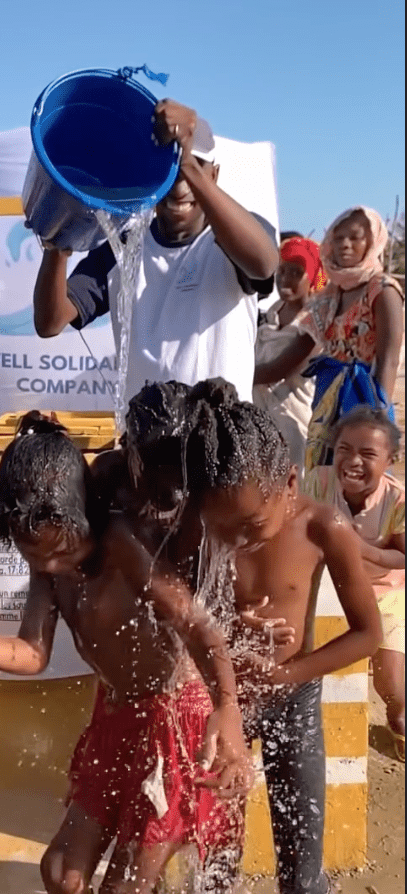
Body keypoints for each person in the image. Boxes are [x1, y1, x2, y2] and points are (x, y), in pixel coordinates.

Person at [0, 412, 252, 894]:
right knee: (60, 873)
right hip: (115, 721)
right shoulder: (47, 560)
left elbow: (198, 626)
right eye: (35, 557)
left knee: (126, 886)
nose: (50, 567)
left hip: (174, 720)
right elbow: (31, 653)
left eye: (62, 554)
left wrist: (228, 707)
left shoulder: (121, 545)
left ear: (85, 516)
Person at [175, 378, 383, 894]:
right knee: (216, 863)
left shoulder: (323, 528)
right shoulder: (199, 526)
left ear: (291, 484)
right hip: (225, 706)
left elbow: (368, 634)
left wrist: (286, 672)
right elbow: (178, 616)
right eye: (223, 529)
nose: (236, 541)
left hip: (294, 699)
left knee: (302, 866)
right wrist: (220, 626)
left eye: (250, 526)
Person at [34, 100, 278, 403]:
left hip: (220, 444)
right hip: (147, 441)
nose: (179, 184)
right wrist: (58, 244)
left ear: (212, 176)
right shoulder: (124, 246)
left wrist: (185, 161)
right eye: (167, 169)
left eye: (191, 168)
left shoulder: (234, 236)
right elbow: (50, 321)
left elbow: (264, 265)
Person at [254, 207, 404, 471]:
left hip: (365, 399)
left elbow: (389, 360)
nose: (345, 244)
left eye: (355, 238)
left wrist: (377, 422)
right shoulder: (328, 297)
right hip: (326, 400)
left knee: (360, 476)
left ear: (373, 242)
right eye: (338, 238)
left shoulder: (383, 290)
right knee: (323, 477)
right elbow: (295, 353)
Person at [305, 406, 405, 762]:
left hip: (383, 590)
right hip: (326, 586)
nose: (352, 461)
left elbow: (403, 557)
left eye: (368, 454)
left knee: (390, 682)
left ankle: (397, 716)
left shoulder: (397, 499)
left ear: (390, 460)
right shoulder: (318, 481)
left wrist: (361, 550)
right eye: (344, 449)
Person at [253, 237, 325, 474]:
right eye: (281, 270)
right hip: (259, 420)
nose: (285, 278)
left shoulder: (317, 323)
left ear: (313, 277)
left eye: (296, 272)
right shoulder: (269, 316)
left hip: (295, 425)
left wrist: (234, 371)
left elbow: (282, 370)